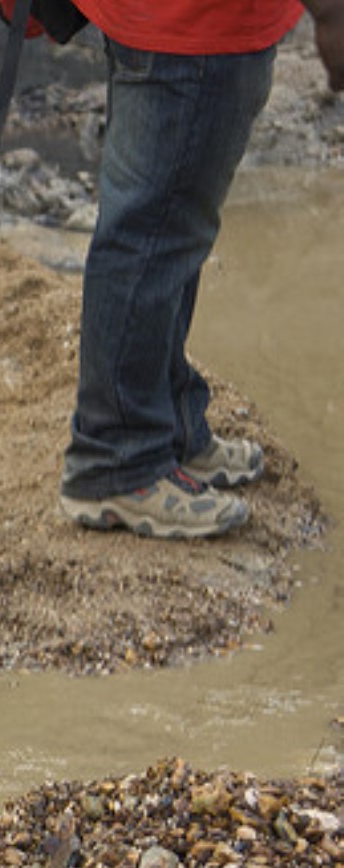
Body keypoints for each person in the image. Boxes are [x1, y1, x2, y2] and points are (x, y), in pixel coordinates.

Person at [58, 0, 344, 538]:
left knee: (172, 229)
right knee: (150, 235)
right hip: (190, 26)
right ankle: (117, 459)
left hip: (184, 23)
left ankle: (167, 427)